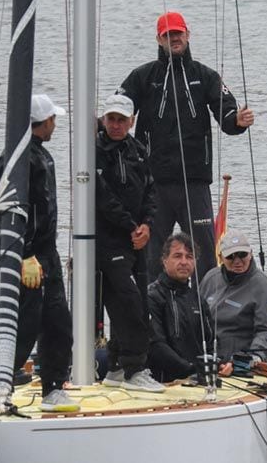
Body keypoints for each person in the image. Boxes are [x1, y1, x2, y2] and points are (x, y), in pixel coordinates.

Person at [117, 11, 255, 284]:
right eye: (168, 35)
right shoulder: (143, 76)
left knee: (203, 253)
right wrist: (98, 124)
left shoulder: (204, 76)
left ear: (187, 35)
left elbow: (226, 115)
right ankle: (153, 312)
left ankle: (207, 309)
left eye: (178, 33)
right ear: (159, 39)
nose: (174, 38)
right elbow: (118, 110)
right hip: (154, 184)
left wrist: (237, 121)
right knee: (153, 253)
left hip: (195, 183)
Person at [0, 94, 79, 413]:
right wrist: (23, 254)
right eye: (53, 118)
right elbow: (9, 211)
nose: (56, 123)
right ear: (43, 121)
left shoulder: (42, 156)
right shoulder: (14, 160)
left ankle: (53, 387)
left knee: (59, 323)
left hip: (46, 254)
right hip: (25, 256)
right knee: (26, 322)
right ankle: (0, 381)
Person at [95, 94, 165, 393]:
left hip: (137, 241)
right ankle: (135, 367)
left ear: (132, 121)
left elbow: (151, 190)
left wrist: (147, 225)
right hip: (110, 241)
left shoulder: (138, 150)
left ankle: (116, 366)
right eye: (111, 119)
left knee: (138, 302)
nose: (116, 125)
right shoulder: (95, 151)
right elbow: (101, 196)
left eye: (122, 119)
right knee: (129, 304)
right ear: (103, 120)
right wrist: (130, 225)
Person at [147, 232, 232, 382]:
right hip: (163, 381)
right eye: (178, 256)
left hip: (197, 379)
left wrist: (219, 363)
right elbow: (156, 345)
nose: (184, 262)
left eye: (189, 257)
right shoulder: (152, 296)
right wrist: (189, 369)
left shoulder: (198, 299)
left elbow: (212, 341)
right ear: (164, 260)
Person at [199, 228, 267, 365]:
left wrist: (253, 358)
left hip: (241, 360)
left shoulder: (264, 286)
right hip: (208, 356)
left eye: (242, 254)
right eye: (231, 256)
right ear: (221, 258)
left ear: (251, 254)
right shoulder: (210, 278)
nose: (237, 261)